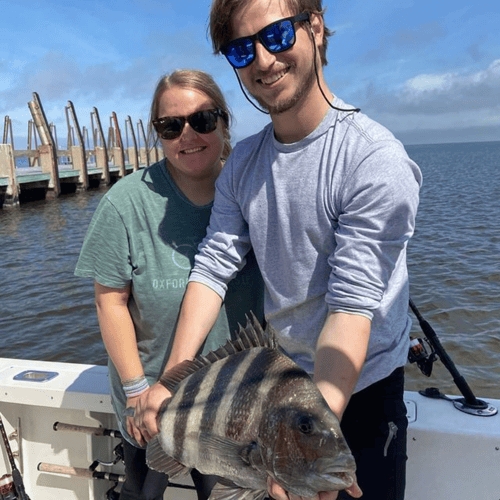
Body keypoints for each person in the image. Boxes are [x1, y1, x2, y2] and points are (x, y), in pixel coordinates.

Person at [135, 1, 422, 499]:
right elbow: (212, 267)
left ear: (314, 28)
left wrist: (311, 433)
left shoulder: (374, 160)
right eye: (243, 49)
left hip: (363, 390)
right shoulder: (244, 161)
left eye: (278, 36)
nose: (264, 60)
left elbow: (351, 308)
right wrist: (170, 381)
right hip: (273, 391)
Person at [74, 69, 264, 500]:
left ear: (224, 121)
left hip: (236, 400)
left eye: (202, 120)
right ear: (157, 133)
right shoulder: (125, 203)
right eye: (170, 125)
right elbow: (110, 303)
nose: (188, 135)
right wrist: (137, 387)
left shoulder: (255, 190)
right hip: (153, 399)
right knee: (143, 492)